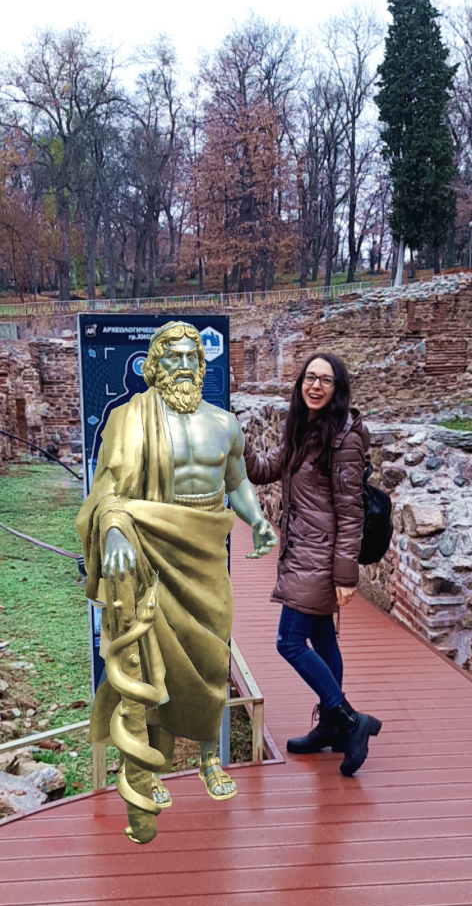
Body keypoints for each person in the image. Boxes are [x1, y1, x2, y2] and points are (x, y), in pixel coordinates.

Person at [76, 321, 278, 844]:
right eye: (174, 357)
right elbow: (108, 488)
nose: (185, 365)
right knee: (150, 656)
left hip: (206, 549)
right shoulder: (128, 419)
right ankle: (151, 766)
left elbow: (237, 481)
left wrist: (257, 519)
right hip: (150, 548)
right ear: (154, 364)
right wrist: (113, 529)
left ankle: (210, 758)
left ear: (202, 364)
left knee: (211, 657)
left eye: (192, 356)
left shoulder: (224, 423)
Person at [243, 352, 382, 776]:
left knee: (288, 642)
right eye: (309, 377)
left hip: (319, 558)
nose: (315, 386)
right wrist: (236, 443)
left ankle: (349, 721)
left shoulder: (343, 438)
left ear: (338, 388)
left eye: (325, 380)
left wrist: (345, 574)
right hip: (301, 551)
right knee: (322, 640)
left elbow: (351, 512)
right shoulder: (302, 428)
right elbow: (265, 469)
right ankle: (332, 728)